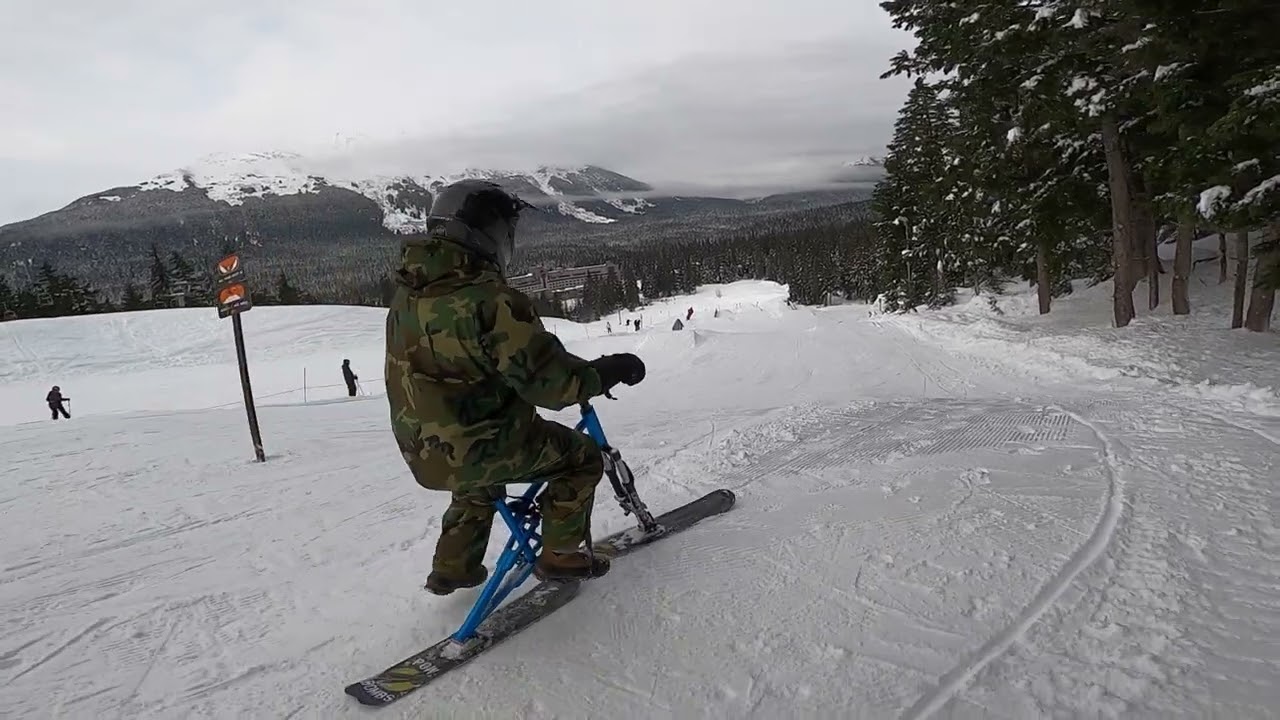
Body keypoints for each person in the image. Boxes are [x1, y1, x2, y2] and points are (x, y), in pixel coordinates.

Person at [384, 179, 646, 595]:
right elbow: (554, 387)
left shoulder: (408, 297)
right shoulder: (491, 301)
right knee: (582, 459)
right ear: (486, 236)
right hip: (479, 447)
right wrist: (607, 371)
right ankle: (560, 554)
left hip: (423, 450)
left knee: (475, 483)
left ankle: (453, 567)